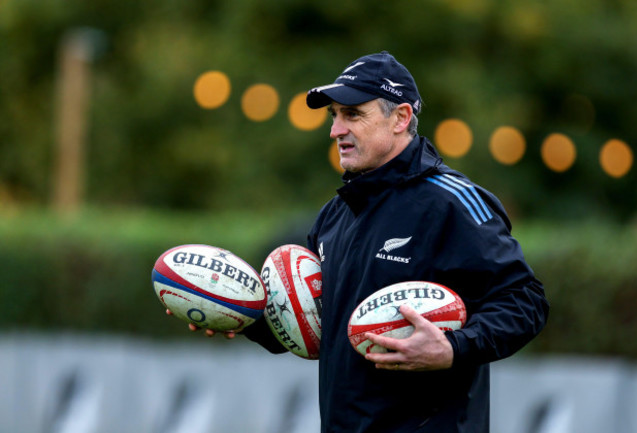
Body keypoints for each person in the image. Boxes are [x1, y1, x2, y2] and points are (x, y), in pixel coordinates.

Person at [178, 51, 550, 433]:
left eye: (353, 115)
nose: (336, 130)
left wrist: (454, 348)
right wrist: (245, 317)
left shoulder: (451, 203)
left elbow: (525, 302)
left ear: (401, 118)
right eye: (334, 115)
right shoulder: (333, 216)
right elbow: (317, 329)